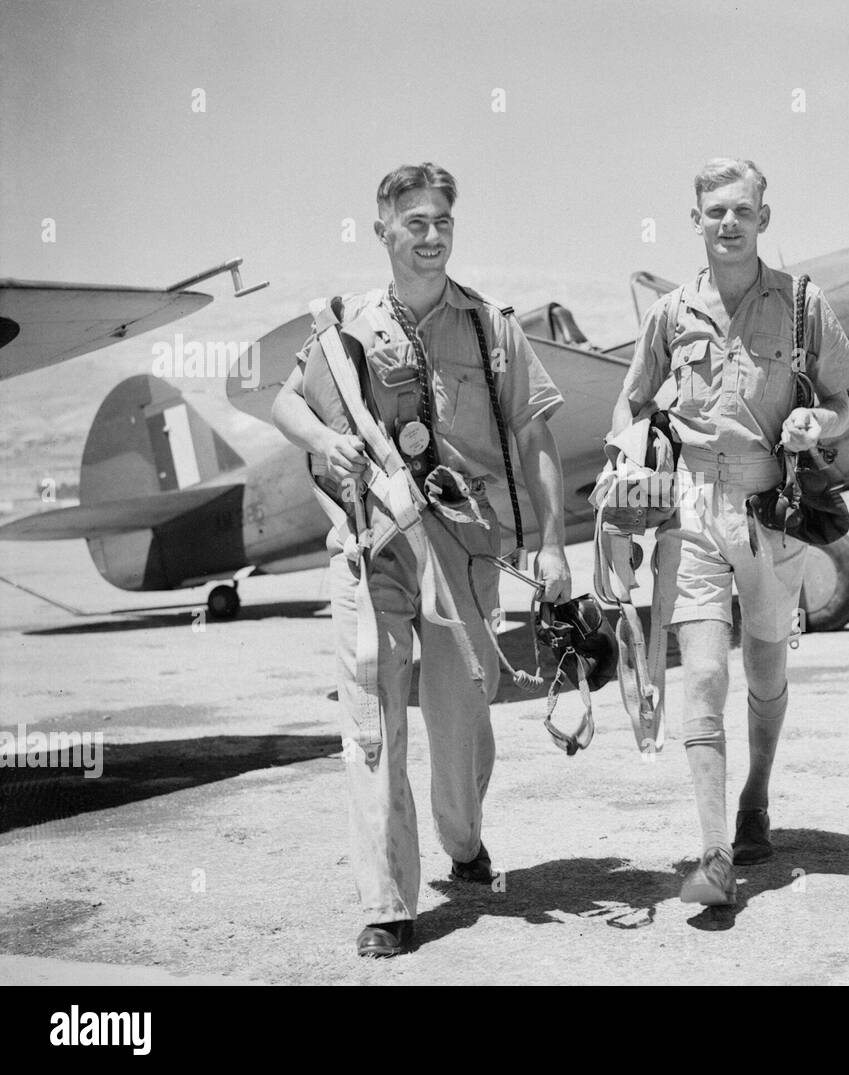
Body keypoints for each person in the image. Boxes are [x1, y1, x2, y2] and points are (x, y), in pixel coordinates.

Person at [272, 163, 571, 955]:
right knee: (372, 714)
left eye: (443, 221)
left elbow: (536, 433)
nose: (432, 235)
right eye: (415, 223)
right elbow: (285, 400)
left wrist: (550, 541)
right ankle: (388, 902)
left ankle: (463, 841)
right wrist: (328, 441)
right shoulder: (346, 327)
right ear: (383, 232)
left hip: (465, 545)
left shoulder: (488, 327)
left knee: (463, 712)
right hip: (374, 545)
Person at [608, 159, 849, 905]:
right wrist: (631, 459)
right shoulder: (669, 314)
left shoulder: (801, 306)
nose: (728, 222)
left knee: (765, 672)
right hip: (690, 509)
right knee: (706, 675)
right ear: (695, 219)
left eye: (742, 210)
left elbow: (847, 402)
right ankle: (714, 853)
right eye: (714, 210)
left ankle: (756, 796)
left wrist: (822, 419)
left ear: (764, 219)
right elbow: (627, 408)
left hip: (770, 512)